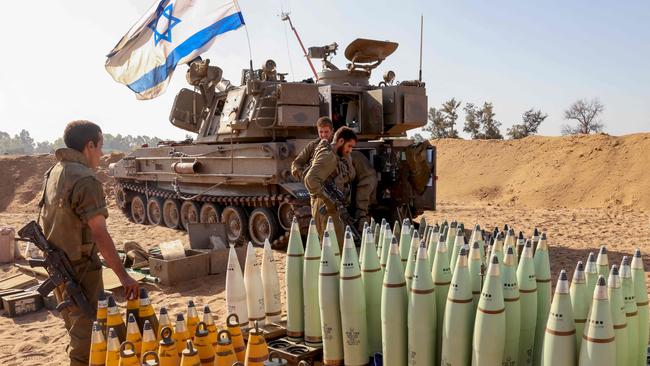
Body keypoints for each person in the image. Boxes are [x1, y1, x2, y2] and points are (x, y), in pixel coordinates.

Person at [39, 120, 139, 366]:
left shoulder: (54, 172)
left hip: (58, 268)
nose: (102, 153)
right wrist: (124, 277)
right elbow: (100, 234)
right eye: (100, 146)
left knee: (77, 328)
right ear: (89, 145)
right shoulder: (85, 179)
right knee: (87, 341)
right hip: (80, 270)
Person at [304, 127, 357, 248]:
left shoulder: (338, 156)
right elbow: (310, 180)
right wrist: (329, 200)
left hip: (332, 206)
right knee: (333, 248)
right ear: (341, 141)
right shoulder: (329, 157)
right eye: (349, 146)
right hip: (325, 207)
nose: (350, 150)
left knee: (336, 246)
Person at [290, 116, 334, 180]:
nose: (324, 135)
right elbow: (297, 162)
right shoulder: (313, 145)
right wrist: (302, 174)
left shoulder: (339, 144)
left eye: (326, 132)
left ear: (332, 131)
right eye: (321, 132)